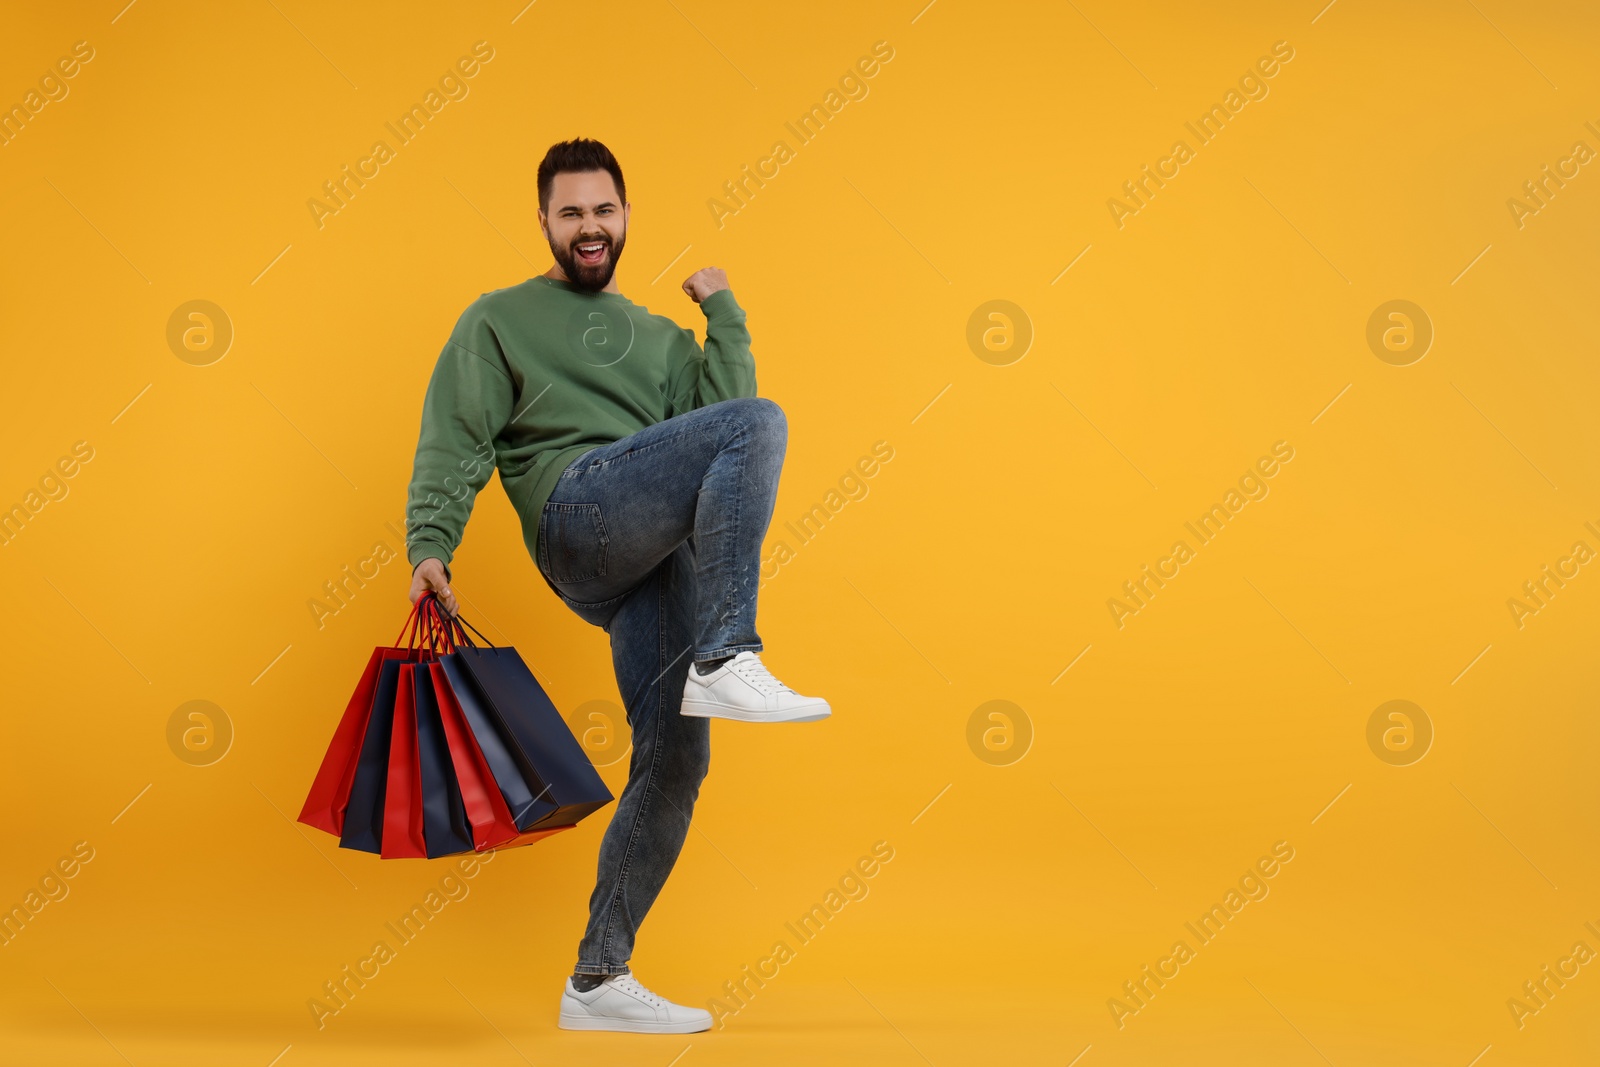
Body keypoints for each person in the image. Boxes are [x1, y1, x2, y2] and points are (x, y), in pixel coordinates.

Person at [403, 138, 829, 1035]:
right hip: (577, 512)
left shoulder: (663, 340)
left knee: (677, 758)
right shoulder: (500, 319)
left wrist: (724, 314)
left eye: (603, 210)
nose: (588, 227)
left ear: (626, 217)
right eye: (570, 213)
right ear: (547, 224)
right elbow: (456, 430)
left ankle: (598, 977)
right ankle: (728, 651)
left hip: (646, 558)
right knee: (760, 424)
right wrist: (430, 542)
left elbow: (728, 423)